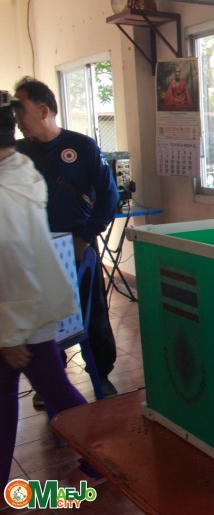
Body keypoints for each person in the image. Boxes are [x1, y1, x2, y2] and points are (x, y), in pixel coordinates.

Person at [0, 90, 88, 483]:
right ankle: (100, 455)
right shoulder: (20, 169)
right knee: (37, 391)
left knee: (56, 391)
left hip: (22, 315)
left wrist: (9, 333)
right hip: (27, 310)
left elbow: (14, 262)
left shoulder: (6, 190)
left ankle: (102, 454)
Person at [13, 77, 120, 398]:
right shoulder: (17, 153)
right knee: (44, 319)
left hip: (78, 246)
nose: (17, 120)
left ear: (43, 110)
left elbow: (109, 196)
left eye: (21, 110)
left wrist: (84, 238)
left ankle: (101, 375)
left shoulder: (82, 146)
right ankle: (50, 381)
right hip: (34, 251)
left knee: (92, 314)